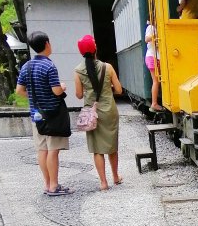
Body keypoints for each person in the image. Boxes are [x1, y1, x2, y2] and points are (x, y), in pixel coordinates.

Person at [15, 31, 73, 196]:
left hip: (36, 115)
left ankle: (47, 184)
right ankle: (54, 186)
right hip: (52, 115)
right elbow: (56, 91)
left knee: (42, 150)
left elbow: (19, 90)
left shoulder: (26, 66)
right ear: (47, 43)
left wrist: (33, 96)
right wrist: (62, 86)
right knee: (53, 150)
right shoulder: (49, 65)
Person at [73, 35, 124, 191]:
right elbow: (119, 90)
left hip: (91, 113)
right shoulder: (107, 67)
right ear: (95, 49)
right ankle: (115, 177)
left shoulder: (78, 71)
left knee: (97, 149)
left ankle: (103, 183)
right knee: (111, 146)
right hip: (109, 111)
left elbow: (79, 95)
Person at [144, 21, 164, 112]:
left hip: (154, 57)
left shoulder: (154, 27)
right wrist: (156, 36)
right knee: (156, 81)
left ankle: (155, 103)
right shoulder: (151, 27)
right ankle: (154, 103)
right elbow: (146, 39)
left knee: (157, 81)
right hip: (153, 57)